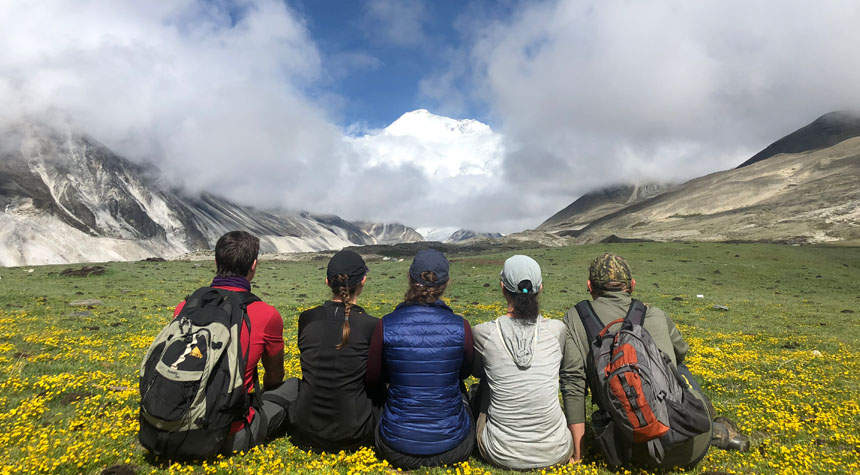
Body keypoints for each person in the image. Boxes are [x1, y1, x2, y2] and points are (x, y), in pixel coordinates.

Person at [560, 253, 748, 468]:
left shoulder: (576, 319)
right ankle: (713, 427)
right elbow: (682, 352)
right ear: (631, 285)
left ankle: (708, 425)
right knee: (677, 365)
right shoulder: (654, 314)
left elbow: (573, 384)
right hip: (692, 445)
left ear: (590, 286)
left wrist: (579, 456)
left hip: (630, 452)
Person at [171, 231, 290, 454]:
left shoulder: (184, 307)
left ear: (215, 262)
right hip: (226, 434)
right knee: (293, 389)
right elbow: (275, 377)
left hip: (172, 424)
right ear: (254, 266)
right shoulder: (266, 315)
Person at [367, 249, 475, 469]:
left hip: (396, 448)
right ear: (445, 284)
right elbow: (464, 373)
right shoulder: (460, 326)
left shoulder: (386, 324)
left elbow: (374, 378)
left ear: (409, 278)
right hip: (453, 448)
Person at [471, 255, 573, 470]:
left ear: (502, 288)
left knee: (488, 381)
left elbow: (477, 370)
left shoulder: (483, 333)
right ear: (540, 288)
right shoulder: (557, 331)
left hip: (499, 451)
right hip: (556, 450)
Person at [279, 250, 381, 451]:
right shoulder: (372, 325)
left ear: (327, 282)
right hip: (353, 432)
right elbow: (375, 379)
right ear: (363, 281)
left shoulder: (307, 318)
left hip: (304, 429)